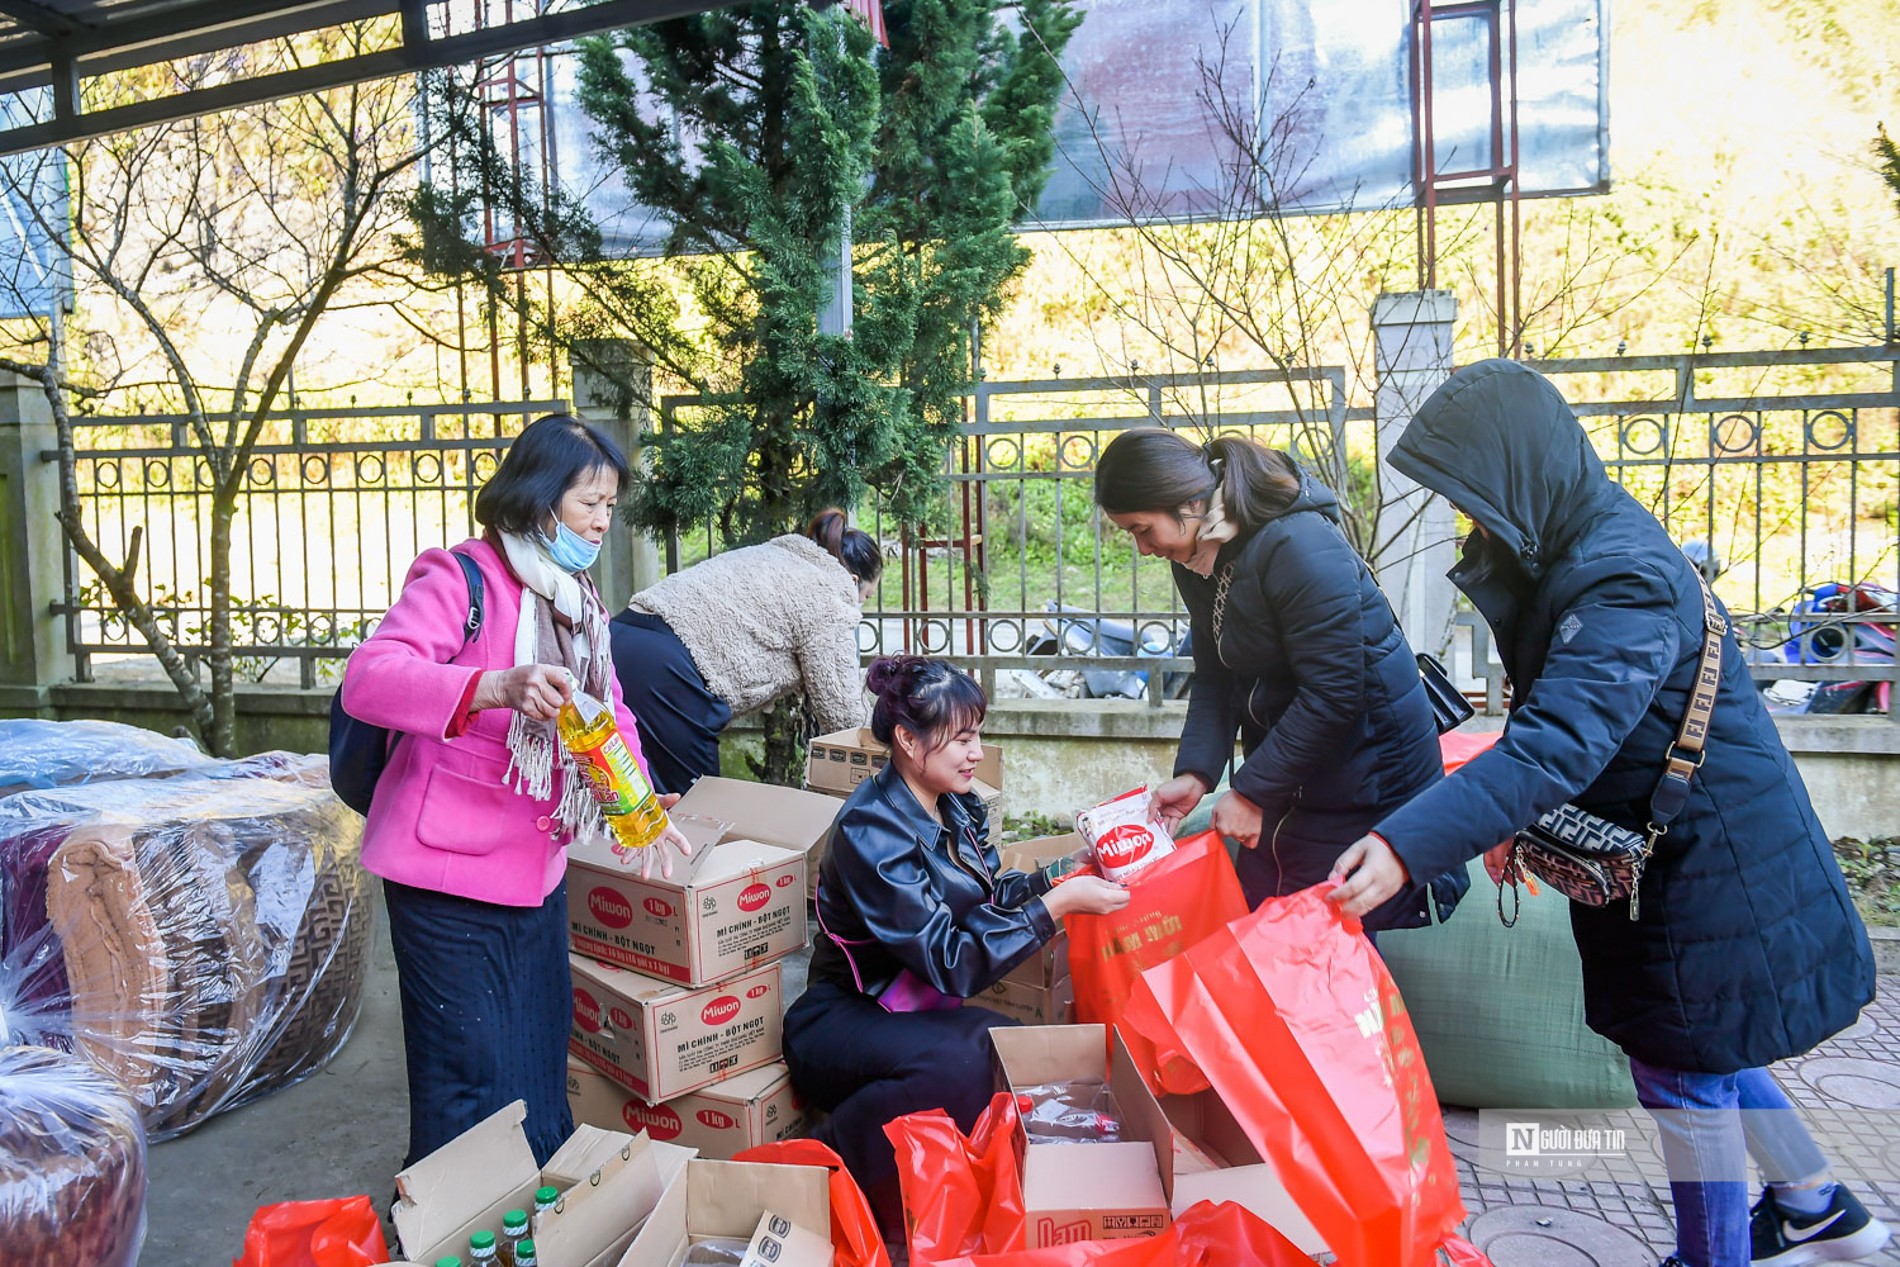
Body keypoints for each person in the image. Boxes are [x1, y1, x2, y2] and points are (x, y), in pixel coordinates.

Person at [1328, 360, 1887, 1267]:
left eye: (1469, 493)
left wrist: (1405, 843)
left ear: (1512, 470)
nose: (1466, 520)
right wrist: (1507, 818)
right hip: (1679, 845)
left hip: (1716, 859)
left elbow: (1554, 745)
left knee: (1682, 1067)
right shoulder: (1578, 540)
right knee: (1705, 1046)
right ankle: (1816, 1206)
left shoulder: (1621, 574)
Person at [341, 413, 689, 1167]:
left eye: (609, 506)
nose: (602, 522)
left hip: (535, 871)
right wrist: (493, 683)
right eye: (588, 503)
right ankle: (446, 1228)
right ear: (538, 500)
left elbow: (610, 710)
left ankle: (534, 1219)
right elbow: (369, 677)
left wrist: (643, 805)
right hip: (445, 874)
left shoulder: (579, 601)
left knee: (535, 1062)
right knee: (467, 1073)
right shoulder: (462, 575)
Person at [781, 656, 1130, 1231]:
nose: (976, 752)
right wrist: (1058, 907)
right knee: (967, 1062)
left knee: (1013, 1050)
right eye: (962, 738)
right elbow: (952, 961)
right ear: (907, 740)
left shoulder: (956, 806)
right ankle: (828, 1166)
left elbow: (992, 893)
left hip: (903, 1016)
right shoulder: (873, 831)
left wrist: (1065, 871)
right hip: (841, 1019)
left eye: (978, 736)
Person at [1092, 427, 1467, 930]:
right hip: (1297, 766)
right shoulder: (1198, 554)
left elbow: (1335, 692)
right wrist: (1199, 774)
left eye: (1142, 529)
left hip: (1368, 768)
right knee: (1271, 926)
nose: (1142, 549)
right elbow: (1215, 677)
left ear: (1187, 501)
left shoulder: (1298, 544)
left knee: (1321, 938)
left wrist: (1251, 793)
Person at [610, 508, 881, 794]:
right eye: (866, 596)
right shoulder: (830, 594)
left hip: (619, 638)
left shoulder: (778, 557)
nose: (860, 605)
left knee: (634, 802)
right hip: (667, 673)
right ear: (852, 581)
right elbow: (844, 718)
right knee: (693, 811)